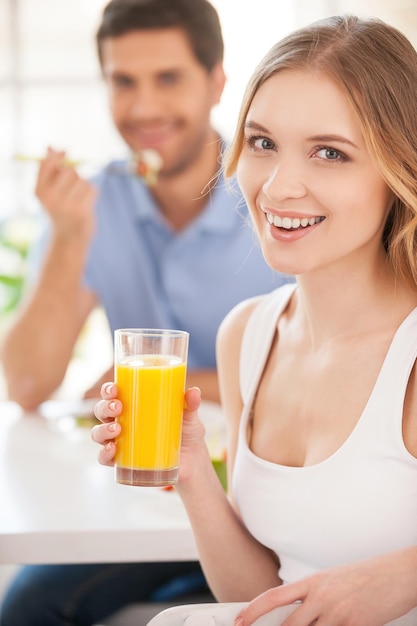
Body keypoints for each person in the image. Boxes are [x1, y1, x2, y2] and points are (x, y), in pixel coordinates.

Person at [92, 13, 417, 625]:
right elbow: (258, 598)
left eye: (330, 153)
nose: (278, 186)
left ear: (397, 172)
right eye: (263, 143)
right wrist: (190, 469)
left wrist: (405, 577)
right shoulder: (249, 335)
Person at [0, 1, 292, 625]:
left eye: (168, 79)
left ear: (216, 81)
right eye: (123, 82)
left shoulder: (277, 198)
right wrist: (73, 235)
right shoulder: (92, 201)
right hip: (147, 499)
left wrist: (175, 388)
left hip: (270, 498)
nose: (144, 109)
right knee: (27, 607)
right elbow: (27, 385)